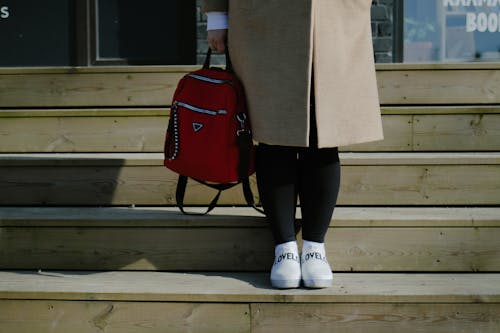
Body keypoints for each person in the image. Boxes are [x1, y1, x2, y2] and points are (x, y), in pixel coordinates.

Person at [201, 0, 383, 289]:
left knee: (324, 134)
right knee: (274, 133)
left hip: (333, 16)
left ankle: (314, 247)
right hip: (263, 20)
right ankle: (284, 247)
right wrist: (216, 16)